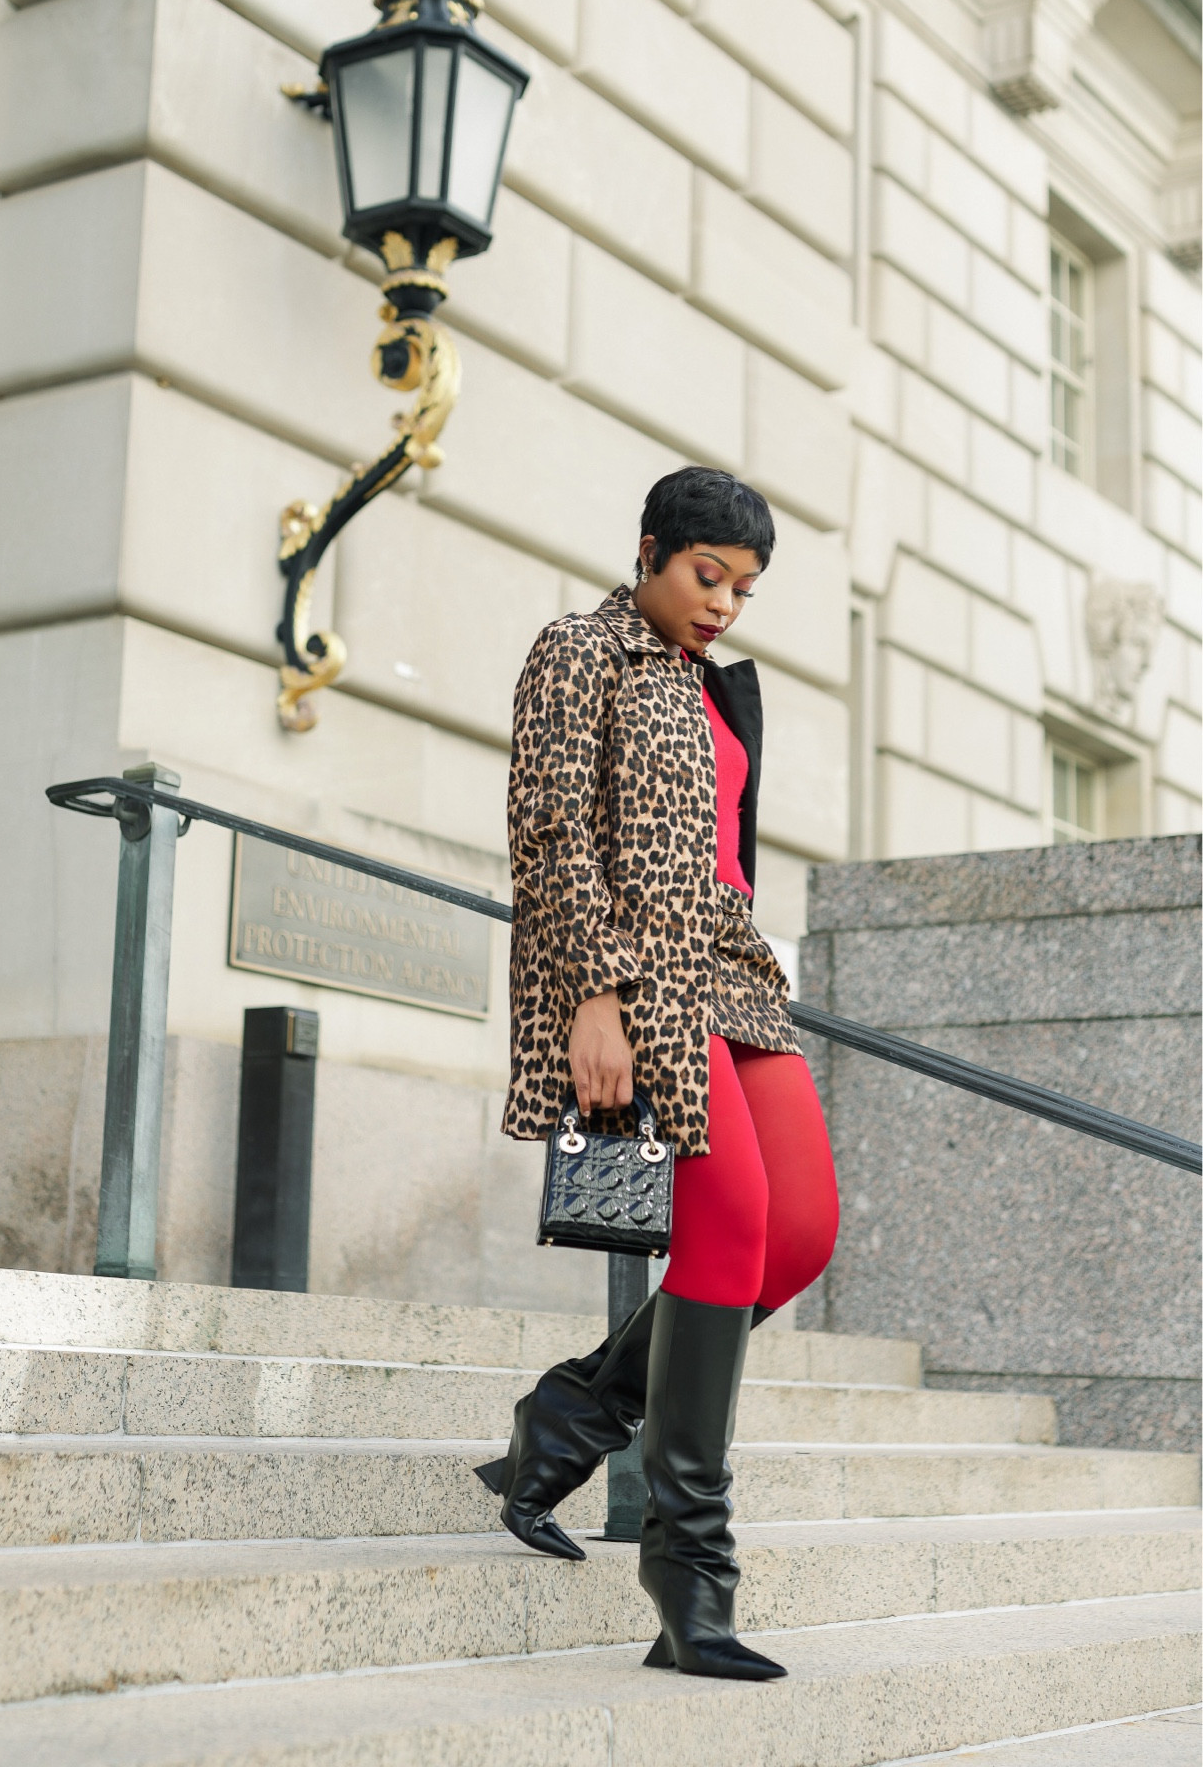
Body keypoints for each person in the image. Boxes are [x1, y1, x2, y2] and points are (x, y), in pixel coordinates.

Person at [476, 466, 839, 1683]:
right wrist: (592, 993)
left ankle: (571, 1414)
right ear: (648, 551)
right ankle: (690, 1575)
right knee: (730, 1229)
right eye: (706, 575)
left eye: (744, 586)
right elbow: (549, 827)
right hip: (640, 978)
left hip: (732, 970)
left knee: (799, 1237)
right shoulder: (580, 652)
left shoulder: (713, 684)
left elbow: (726, 850)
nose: (726, 603)